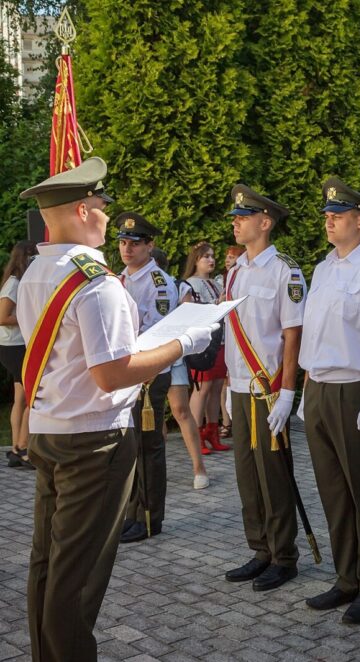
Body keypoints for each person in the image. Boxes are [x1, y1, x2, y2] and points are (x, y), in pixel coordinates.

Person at [17, 157, 217, 661]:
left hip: (49, 430)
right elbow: (113, 372)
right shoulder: (96, 280)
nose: (109, 216)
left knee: (47, 565)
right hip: (93, 439)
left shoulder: (37, 271)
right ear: (83, 209)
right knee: (79, 578)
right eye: (103, 205)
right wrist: (183, 342)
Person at [298, 177, 360, 624]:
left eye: (337, 215)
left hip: (357, 391)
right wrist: (304, 390)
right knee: (333, 493)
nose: (328, 220)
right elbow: (316, 335)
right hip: (320, 390)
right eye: (326, 214)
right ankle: (346, 579)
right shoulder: (322, 268)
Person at [222, 184, 305, 592]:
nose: (236, 222)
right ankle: (260, 550)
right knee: (246, 474)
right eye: (235, 217)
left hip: (269, 388)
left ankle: (284, 555)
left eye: (243, 217)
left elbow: (293, 336)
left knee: (273, 476)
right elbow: (231, 333)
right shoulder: (235, 271)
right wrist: (227, 384)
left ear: (265, 222)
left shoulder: (285, 271)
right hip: (239, 386)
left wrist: (288, 391)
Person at [116, 212, 178, 542]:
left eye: (134, 244)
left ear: (150, 246)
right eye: (123, 243)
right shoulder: (119, 279)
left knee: (148, 448)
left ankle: (150, 517)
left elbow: (157, 332)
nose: (127, 249)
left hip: (149, 376)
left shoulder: (159, 284)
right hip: (126, 374)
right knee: (129, 448)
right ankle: (130, 512)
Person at [151, 247, 211, 490]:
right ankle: (156, 467)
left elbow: (188, 319)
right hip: (145, 356)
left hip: (172, 355)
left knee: (180, 410)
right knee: (152, 416)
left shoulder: (177, 286)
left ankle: (199, 467)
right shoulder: (128, 283)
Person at [179, 241, 229, 455]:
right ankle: (196, 434)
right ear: (196, 260)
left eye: (212, 256)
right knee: (203, 389)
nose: (211, 260)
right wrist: (216, 306)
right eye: (205, 256)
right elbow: (188, 314)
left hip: (221, 341)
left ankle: (212, 431)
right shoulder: (188, 284)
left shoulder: (217, 283)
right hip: (202, 344)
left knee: (217, 387)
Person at [0, 240, 38, 469]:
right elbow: (3, 317)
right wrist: (30, 317)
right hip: (14, 346)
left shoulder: (17, 282)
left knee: (21, 398)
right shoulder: (14, 283)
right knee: (30, 397)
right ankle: (23, 448)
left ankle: (16, 446)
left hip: (16, 345)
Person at [217, 245, 245, 439]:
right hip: (230, 343)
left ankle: (227, 422)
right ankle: (226, 421)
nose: (228, 260)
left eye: (232, 257)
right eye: (227, 257)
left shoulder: (239, 275)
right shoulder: (229, 277)